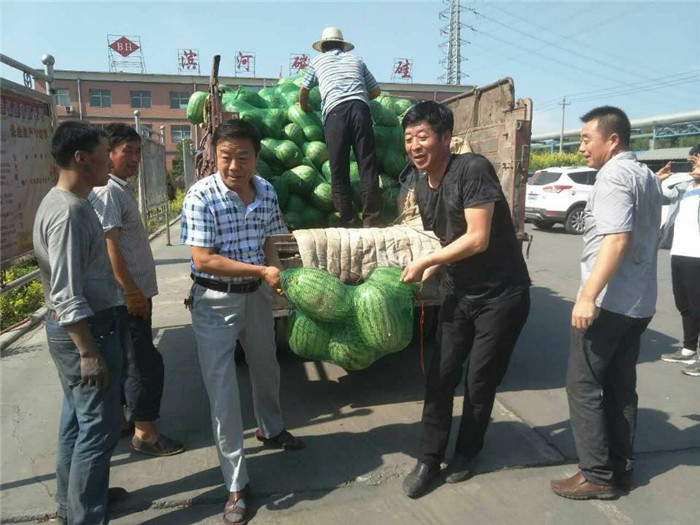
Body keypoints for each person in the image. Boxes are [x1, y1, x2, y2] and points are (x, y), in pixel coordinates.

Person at [399, 101, 531, 498]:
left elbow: (477, 238)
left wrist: (428, 262)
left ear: (445, 138)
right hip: (459, 292)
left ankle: (468, 452)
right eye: (409, 138)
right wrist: (430, 268)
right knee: (440, 375)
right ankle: (428, 458)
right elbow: (446, 239)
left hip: (501, 296)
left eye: (423, 136)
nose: (415, 145)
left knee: (479, 380)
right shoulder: (420, 182)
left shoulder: (472, 169)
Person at [181, 119, 304, 525]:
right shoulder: (201, 195)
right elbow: (204, 259)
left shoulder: (265, 190)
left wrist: (274, 271)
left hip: (257, 296)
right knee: (222, 391)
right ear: (214, 155)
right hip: (215, 300)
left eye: (243, 157)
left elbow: (271, 238)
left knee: (266, 365)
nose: (234, 166)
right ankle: (235, 483)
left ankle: (271, 428)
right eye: (226, 157)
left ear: (257, 156)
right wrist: (260, 271)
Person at [551, 106, 662, 500]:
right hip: (638, 302)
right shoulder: (646, 175)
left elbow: (616, 240)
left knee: (583, 385)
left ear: (612, 140)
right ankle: (620, 468)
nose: (581, 147)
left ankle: (596, 475)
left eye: (586, 139)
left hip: (609, 303)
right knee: (620, 387)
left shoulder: (613, 176)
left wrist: (586, 297)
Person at [33, 121, 124, 524]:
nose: (110, 162)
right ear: (81, 158)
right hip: (86, 332)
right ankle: (85, 515)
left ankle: (74, 504)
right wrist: (88, 351)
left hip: (79, 329)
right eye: (105, 154)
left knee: (77, 418)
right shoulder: (69, 213)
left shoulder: (65, 201)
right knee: (98, 430)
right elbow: (67, 292)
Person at [89, 123, 184, 456]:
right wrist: (131, 292)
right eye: (125, 151)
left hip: (129, 295)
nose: (133, 158)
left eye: (137, 151)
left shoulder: (117, 188)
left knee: (126, 361)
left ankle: (121, 421)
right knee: (143, 364)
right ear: (108, 153)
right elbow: (109, 245)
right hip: (125, 299)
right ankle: (145, 433)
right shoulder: (107, 191)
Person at [299, 26, 383, 227]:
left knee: (339, 167)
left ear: (323, 47)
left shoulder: (317, 61)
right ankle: (372, 218)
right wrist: (358, 95)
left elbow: (304, 89)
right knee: (367, 164)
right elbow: (376, 91)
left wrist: (305, 107)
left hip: (335, 113)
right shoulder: (357, 60)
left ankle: (349, 219)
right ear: (343, 46)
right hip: (360, 110)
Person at [657, 145, 700, 376]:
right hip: (680, 252)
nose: (694, 164)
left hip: (698, 256)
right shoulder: (684, 187)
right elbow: (661, 194)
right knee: (685, 305)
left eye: (697, 160)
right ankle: (689, 349)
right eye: (692, 161)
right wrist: (658, 179)